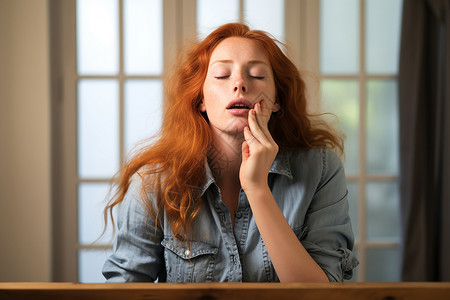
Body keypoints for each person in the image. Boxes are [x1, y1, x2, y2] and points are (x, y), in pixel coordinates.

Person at [102, 22, 358, 283]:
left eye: (257, 75)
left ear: (277, 99)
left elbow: (323, 293)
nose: (239, 84)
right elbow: (125, 288)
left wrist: (257, 188)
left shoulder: (322, 170)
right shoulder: (153, 181)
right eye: (222, 75)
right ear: (200, 99)